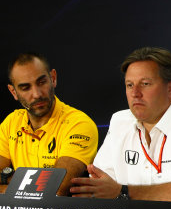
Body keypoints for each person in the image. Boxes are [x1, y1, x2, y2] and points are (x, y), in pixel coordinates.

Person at [70, 47, 171, 209]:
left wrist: (122, 192)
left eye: (145, 84)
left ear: (170, 88)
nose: (135, 93)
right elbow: (99, 188)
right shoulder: (119, 121)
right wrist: (110, 191)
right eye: (130, 85)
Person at [0, 53, 98, 195]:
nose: (37, 94)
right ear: (13, 92)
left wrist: (9, 178)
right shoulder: (11, 122)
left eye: (41, 82)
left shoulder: (79, 123)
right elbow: (41, 190)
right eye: (25, 88)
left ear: (53, 78)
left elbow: (55, 189)